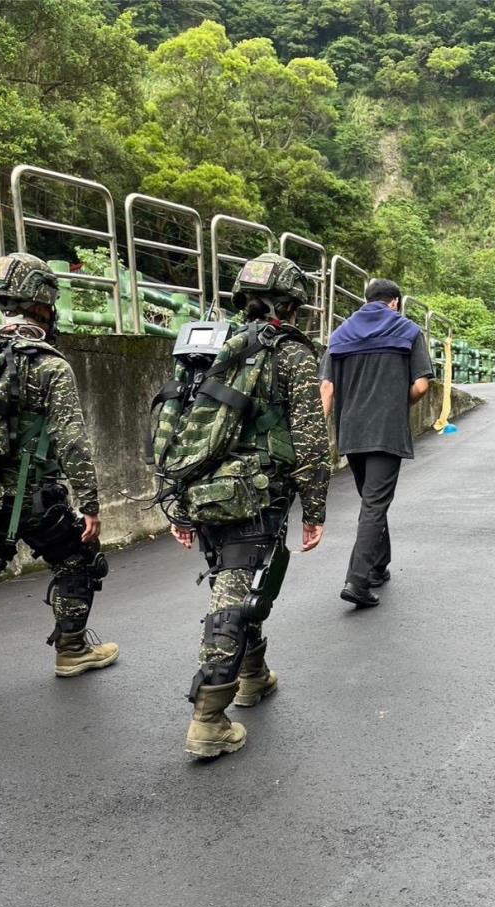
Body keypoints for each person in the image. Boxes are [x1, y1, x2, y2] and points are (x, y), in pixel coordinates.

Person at [0, 252, 118, 711]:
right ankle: (72, 650)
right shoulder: (48, 363)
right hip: (30, 496)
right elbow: (73, 443)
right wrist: (90, 505)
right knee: (77, 557)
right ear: (44, 303)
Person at [170, 253, 331, 758]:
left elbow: (175, 426)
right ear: (291, 303)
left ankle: (253, 675)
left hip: (198, 490)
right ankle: (208, 718)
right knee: (233, 596)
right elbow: (310, 440)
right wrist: (315, 510)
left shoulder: (209, 346)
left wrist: (177, 504)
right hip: (256, 495)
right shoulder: (292, 354)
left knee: (236, 580)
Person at [320, 278, 433, 609]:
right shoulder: (408, 331)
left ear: (365, 301)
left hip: (351, 431)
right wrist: (396, 406)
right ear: (395, 302)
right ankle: (357, 579)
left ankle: (379, 565)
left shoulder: (339, 335)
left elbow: (327, 389)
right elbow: (422, 386)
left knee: (371, 498)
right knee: (374, 503)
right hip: (385, 431)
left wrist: (314, 435)